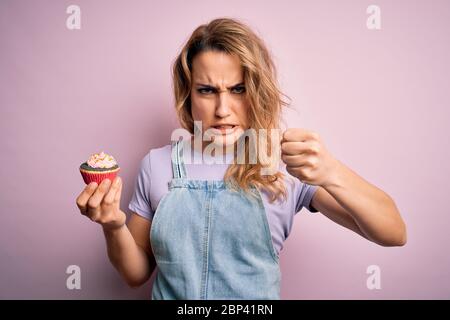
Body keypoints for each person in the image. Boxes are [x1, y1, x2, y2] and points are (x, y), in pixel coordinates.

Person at [75, 18, 407, 300]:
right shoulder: (157, 164)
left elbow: (392, 233)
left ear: (258, 90)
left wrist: (331, 171)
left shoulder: (285, 164)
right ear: (187, 94)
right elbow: (136, 274)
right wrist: (113, 225)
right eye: (207, 90)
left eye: (238, 89)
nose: (222, 109)